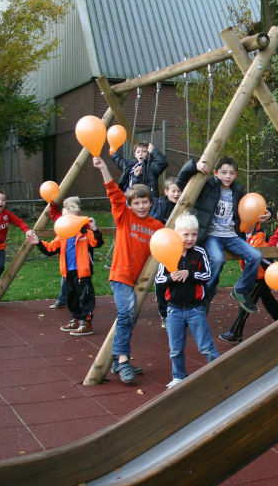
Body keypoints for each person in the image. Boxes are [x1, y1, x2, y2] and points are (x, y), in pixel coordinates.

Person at [94, 155, 164, 384]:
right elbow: (114, 193)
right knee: (125, 314)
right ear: (130, 205)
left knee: (129, 319)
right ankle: (123, 359)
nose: (141, 207)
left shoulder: (156, 227)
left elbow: (167, 244)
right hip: (121, 275)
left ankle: (117, 361)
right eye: (137, 203)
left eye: (145, 202)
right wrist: (104, 168)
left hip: (138, 279)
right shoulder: (124, 217)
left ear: (151, 203)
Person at [176, 155, 262, 315]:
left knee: (255, 256)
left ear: (236, 174)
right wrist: (193, 166)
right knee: (217, 259)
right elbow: (181, 183)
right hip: (212, 235)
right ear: (216, 173)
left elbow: (251, 205)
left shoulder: (238, 190)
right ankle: (205, 295)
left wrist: (266, 213)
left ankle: (241, 289)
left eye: (231, 173)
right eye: (224, 172)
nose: (228, 176)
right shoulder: (207, 185)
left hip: (231, 235)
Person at [153, 213, 217, 388]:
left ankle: (219, 371)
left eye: (194, 234)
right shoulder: (168, 251)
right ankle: (178, 376)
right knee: (175, 348)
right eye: (186, 234)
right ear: (176, 235)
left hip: (195, 308)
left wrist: (190, 273)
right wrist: (170, 278)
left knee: (205, 346)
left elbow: (207, 275)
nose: (190, 238)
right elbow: (158, 279)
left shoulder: (199, 253)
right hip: (174, 309)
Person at [33, 197, 103, 336]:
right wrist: (38, 242)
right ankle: (76, 319)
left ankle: (86, 322)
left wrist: (95, 228)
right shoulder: (62, 235)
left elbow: (97, 242)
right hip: (68, 273)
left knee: (85, 298)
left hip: (82, 273)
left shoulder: (86, 233)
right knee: (71, 298)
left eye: (72, 220)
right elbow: (50, 249)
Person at [219, 210, 278, 343]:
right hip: (254, 274)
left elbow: (252, 255)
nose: (244, 224)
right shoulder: (243, 234)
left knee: (246, 302)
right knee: (269, 301)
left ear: (255, 222)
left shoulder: (259, 236)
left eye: (248, 222)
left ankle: (235, 332)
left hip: (261, 275)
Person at [0, 188, 31, 297]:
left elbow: (18, 221)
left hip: (0, 246)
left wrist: (27, 230)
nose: (1, 202)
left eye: (3, 200)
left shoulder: (6, 214)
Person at [151, 176, 182, 328]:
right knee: (162, 282)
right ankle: (164, 314)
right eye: (173, 191)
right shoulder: (161, 205)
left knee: (178, 282)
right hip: (163, 248)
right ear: (166, 192)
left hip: (180, 249)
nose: (176, 194)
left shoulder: (186, 205)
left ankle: (177, 312)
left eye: (179, 191)